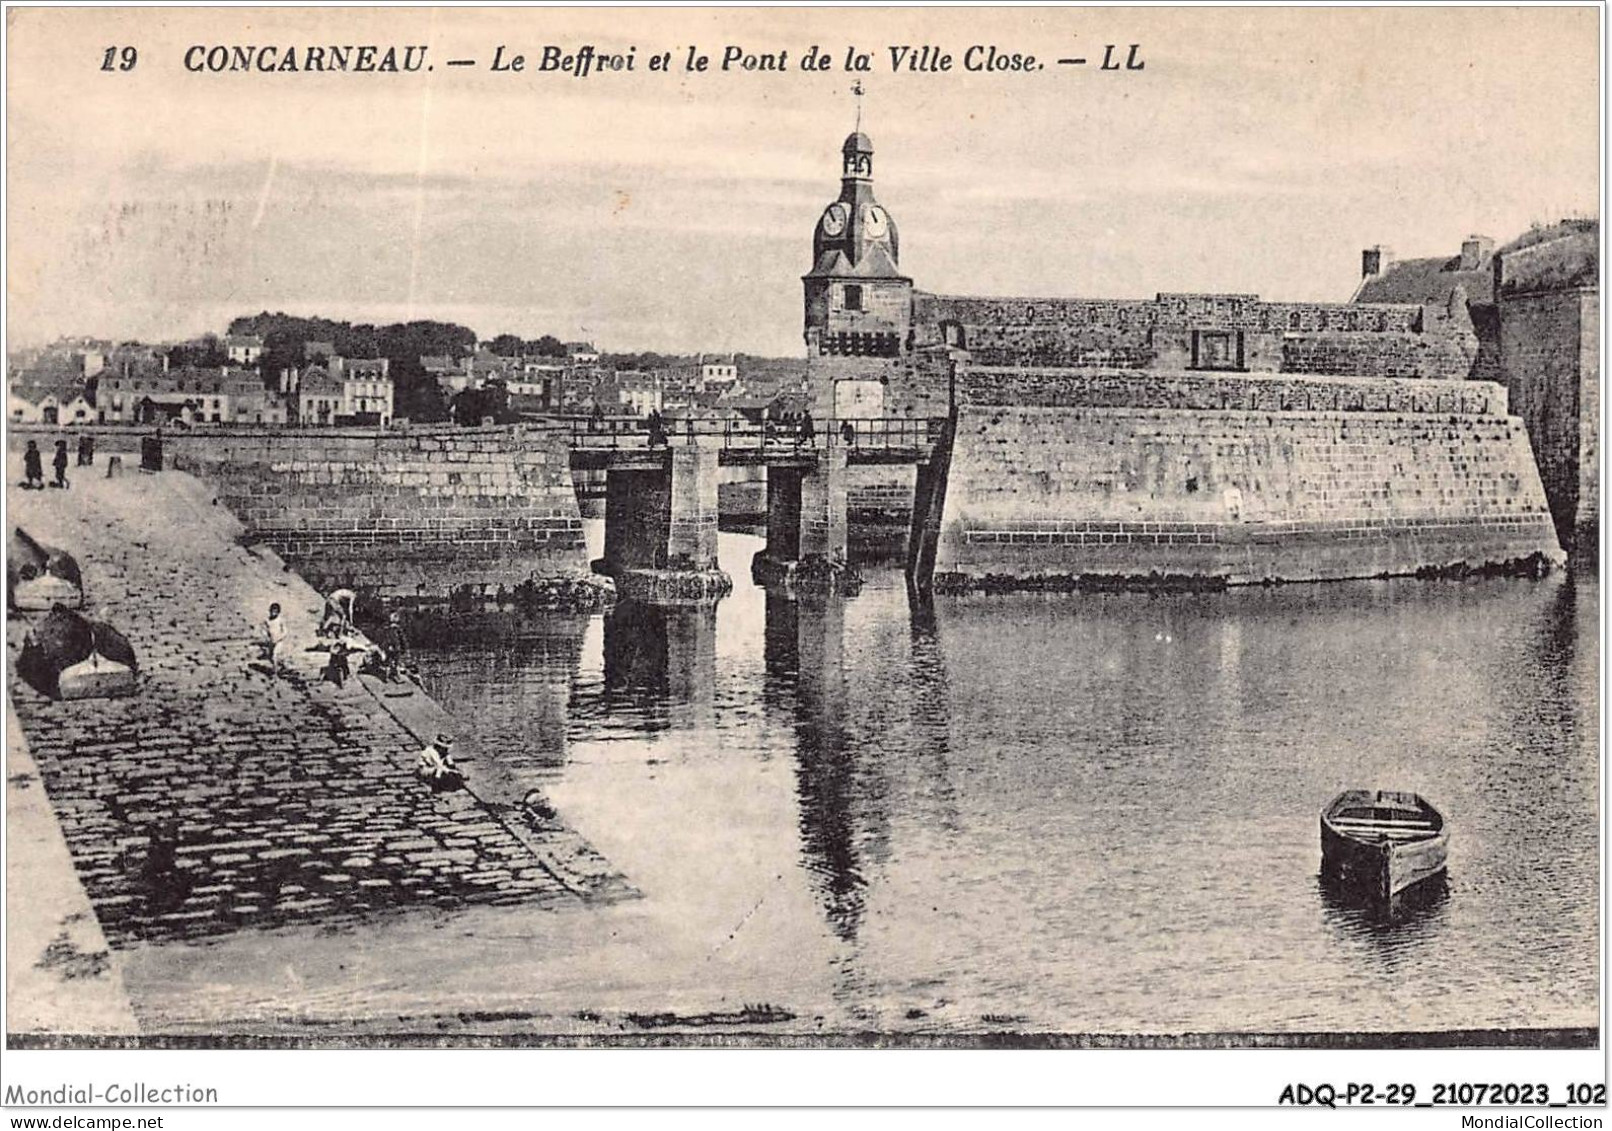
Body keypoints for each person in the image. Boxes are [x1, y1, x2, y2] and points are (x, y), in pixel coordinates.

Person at [373, 611, 408, 682]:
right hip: (395, 648)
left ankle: (387, 677)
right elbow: (402, 640)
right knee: (396, 663)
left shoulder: (387, 629)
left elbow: (385, 639)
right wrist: (404, 648)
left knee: (388, 663)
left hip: (390, 648)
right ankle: (397, 677)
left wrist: (385, 647)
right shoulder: (397, 629)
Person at [262, 602, 287, 675]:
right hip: (271, 641)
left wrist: (280, 637)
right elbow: (263, 629)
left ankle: (275, 672)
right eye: (272, 611)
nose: (273, 613)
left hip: (279, 641)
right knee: (270, 657)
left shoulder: (280, 620)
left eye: (275, 612)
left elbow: (285, 631)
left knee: (274, 655)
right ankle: (282, 664)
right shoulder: (267, 620)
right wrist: (266, 636)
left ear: (278, 612)